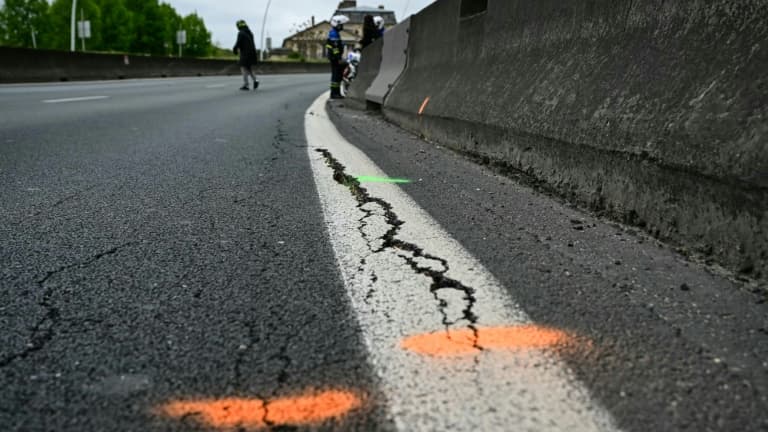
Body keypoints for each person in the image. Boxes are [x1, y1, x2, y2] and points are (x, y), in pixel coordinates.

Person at [326, 15, 349, 99]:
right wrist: (338, 58)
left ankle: (336, 93)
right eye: (341, 25)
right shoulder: (334, 34)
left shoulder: (334, 33)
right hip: (335, 58)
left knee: (337, 76)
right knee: (336, 76)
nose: (342, 26)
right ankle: (334, 93)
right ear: (337, 24)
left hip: (334, 58)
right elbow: (335, 48)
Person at [233, 19, 258, 91]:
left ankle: (246, 84)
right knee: (249, 68)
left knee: (243, 68)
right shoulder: (250, 33)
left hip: (245, 54)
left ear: (239, 26)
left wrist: (234, 49)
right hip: (253, 53)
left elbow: (238, 42)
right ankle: (255, 80)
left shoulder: (241, 33)